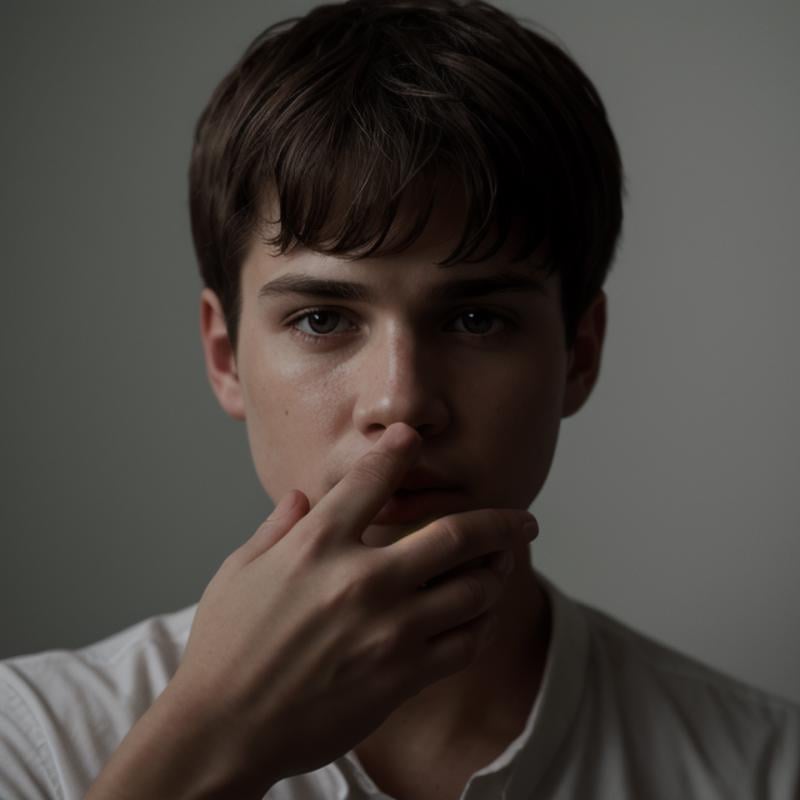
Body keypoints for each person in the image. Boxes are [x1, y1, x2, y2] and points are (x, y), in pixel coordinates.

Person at [1, 0, 798, 797]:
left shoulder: (764, 770)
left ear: (578, 354)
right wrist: (213, 740)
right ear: (225, 356)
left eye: (476, 318)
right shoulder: (33, 743)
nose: (401, 401)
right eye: (321, 318)